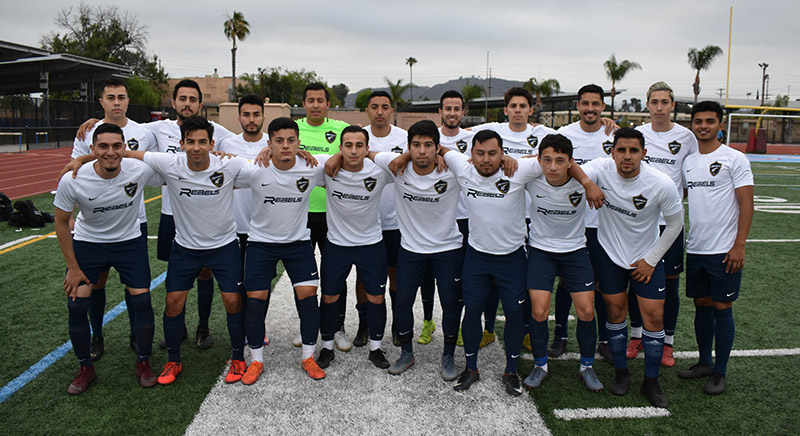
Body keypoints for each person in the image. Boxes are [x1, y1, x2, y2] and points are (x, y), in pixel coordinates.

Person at [76, 80, 235, 352]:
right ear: (173, 104)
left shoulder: (217, 131)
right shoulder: (155, 129)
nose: (187, 104)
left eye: (193, 99)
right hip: (171, 213)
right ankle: (179, 326)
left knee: (206, 272)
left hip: (205, 215)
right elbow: (120, 128)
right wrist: (96, 123)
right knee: (177, 275)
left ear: (200, 104)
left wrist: (223, 151)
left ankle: (203, 326)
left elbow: (245, 146)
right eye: (182, 98)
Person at [443, 130, 601, 396]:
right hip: (477, 256)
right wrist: (405, 159)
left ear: (503, 153)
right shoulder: (461, 165)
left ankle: (511, 371)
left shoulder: (520, 169)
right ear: (470, 155)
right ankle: (471, 368)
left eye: (493, 153)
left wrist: (586, 183)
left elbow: (559, 161)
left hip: (513, 258)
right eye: (480, 153)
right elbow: (439, 148)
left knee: (517, 314)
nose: (486, 159)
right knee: (471, 311)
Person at [120, 116, 247, 386]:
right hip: (185, 248)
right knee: (173, 303)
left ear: (212, 144)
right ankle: (174, 360)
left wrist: (274, 151)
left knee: (233, 302)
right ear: (181, 144)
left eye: (203, 142)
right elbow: (127, 152)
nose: (197, 147)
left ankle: (238, 357)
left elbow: (264, 167)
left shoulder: (230, 164)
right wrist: (80, 161)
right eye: (190, 142)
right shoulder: (170, 163)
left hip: (223, 247)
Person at [55, 123, 163, 394]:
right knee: (77, 305)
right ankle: (85, 368)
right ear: (92, 149)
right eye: (103, 147)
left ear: (125, 148)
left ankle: (143, 363)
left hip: (129, 243)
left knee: (142, 300)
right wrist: (72, 267)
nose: (110, 152)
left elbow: (174, 162)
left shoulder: (138, 170)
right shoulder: (73, 178)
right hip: (89, 244)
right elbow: (61, 222)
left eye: (117, 146)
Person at [581, 128, 684, 408]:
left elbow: (676, 224)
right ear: (611, 152)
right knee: (615, 312)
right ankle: (621, 374)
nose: (627, 156)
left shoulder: (660, 183)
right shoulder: (601, 169)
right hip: (610, 255)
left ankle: (651, 381)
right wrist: (589, 184)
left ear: (644, 154)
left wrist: (651, 260)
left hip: (646, 258)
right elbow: (573, 170)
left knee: (653, 316)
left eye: (634, 151)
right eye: (621, 150)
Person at [367, 120, 463, 380]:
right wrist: (404, 156)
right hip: (410, 248)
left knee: (451, 304)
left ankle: (448, 357)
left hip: (448, 248)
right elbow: (365, 151)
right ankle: (406, 352)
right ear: (408, 147)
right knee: (403, 300)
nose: (422, 151)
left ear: (437, 148)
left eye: (428, 146)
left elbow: (477, 161)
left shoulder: (452, 168)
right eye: (416, 146)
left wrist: (444, 155)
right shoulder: (398, 166)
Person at [70, 78, 157, 360]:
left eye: (121, 97)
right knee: (98, 281)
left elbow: (156, 158)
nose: (116, 102)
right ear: (102, 102)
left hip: (133, 220)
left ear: (128, 101)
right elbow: (74, 167)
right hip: (95, 222)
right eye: (111, 97)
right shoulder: (87, 132)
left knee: (135, 284)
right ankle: (97, 335)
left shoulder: (144, 132)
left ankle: (136, 334)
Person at [238, 117, 329, 383]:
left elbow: (343, 159)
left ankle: (309, 357)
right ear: (269, 144)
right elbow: (222, 163)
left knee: (309, 298)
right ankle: (256, 360)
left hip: (298, 243)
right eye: (279, 141)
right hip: (260, 243)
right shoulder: (254, 168)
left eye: (291, 141)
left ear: (299, 143)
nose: (286, 146)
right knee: (254, 302)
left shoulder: (312, 167)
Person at [469, 87, 557, 349]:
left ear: (531, 110)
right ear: (505, 109)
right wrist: (502, 157)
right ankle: (487, 329)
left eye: (523, 106)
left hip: (534, 216)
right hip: (500, 212)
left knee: (524, 280)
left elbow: (559, 153)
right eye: (513, 106)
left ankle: (528, 331)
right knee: (491, 280)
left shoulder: (544, 134)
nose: (518, 110)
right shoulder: (491, 130)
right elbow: (466, 147)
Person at [679, 101, 753, 394]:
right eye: (698, 121)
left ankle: (720, 371)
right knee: (701, 305)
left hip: (724, 250)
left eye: (710, 121)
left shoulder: (735, 159)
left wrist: (739, 245)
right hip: (696, 248)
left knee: (723, 307)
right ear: (692, 125)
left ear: (720, 125)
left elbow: (746, 203)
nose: (703, 126)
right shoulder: (688, 162)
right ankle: (704, 361)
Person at [522, 133, 604, 392]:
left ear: (571, 161)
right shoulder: (531, 177)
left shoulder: (586, 176)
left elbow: (600, 166)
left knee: (587, 311)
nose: (553, 167)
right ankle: (540, 365)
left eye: (560, 160)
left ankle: (587, 367)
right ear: (539, 161)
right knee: (539, 311)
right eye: (547, 160)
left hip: (575, 251)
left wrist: (588, 182)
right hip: (541, 251)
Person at [626, 82, 699, 367]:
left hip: (669, 224)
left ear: (672, 106)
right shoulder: (638, 135)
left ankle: (667, 342)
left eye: (664, 102)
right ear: (647, 105)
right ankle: (636, 336)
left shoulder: (687, 137)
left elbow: (692, 174)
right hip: (638, 223)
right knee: (636, 279)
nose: (659, 107)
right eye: (654, 102)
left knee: (669, 285)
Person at [318, 126, 393, 370]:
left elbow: (402, 159)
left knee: (377, 297)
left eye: (359, 145)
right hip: (337, 245)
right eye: (347, 146)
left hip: (370, 245)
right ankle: (327, 347)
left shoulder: (379, 171)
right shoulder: (327, 169)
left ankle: (376, 348)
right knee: (329, 297)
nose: (353, 150)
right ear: (340, 148)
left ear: (367, 148)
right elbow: (295, 158)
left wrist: (371, 157)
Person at [550, 84, 615, 360]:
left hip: (603, 223)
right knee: (566, 282)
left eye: (596, 104)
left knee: (600, 284)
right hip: (571, 221)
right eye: (585, 103)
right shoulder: (564, 134)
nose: (590, 108)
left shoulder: (614, 134)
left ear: (603, 107)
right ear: (578, 106)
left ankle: (604, 340)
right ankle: (561, 335)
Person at [296, 83, 351, 350]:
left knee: (334, 275)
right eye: (310, 100)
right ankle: (305, 326)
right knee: (303, 277)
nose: (315, 105)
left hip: (333, 215)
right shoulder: (293, 129)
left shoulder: (340, 129)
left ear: (328, 104)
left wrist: (339, 153)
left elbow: (357, 147)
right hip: (300, 214)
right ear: (304, 103)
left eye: (320, 100)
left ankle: (337, 327)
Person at [217, 94, 270, 346]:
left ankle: (258, 326)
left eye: (256, 114)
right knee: (237, 283)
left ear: (263, 116)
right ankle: (241, 329)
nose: (251, 120)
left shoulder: (275, 142)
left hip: (265, 228)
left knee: (260, 285)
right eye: (246, 115)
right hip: (234, 226)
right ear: (239, 117)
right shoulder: (226, 142)